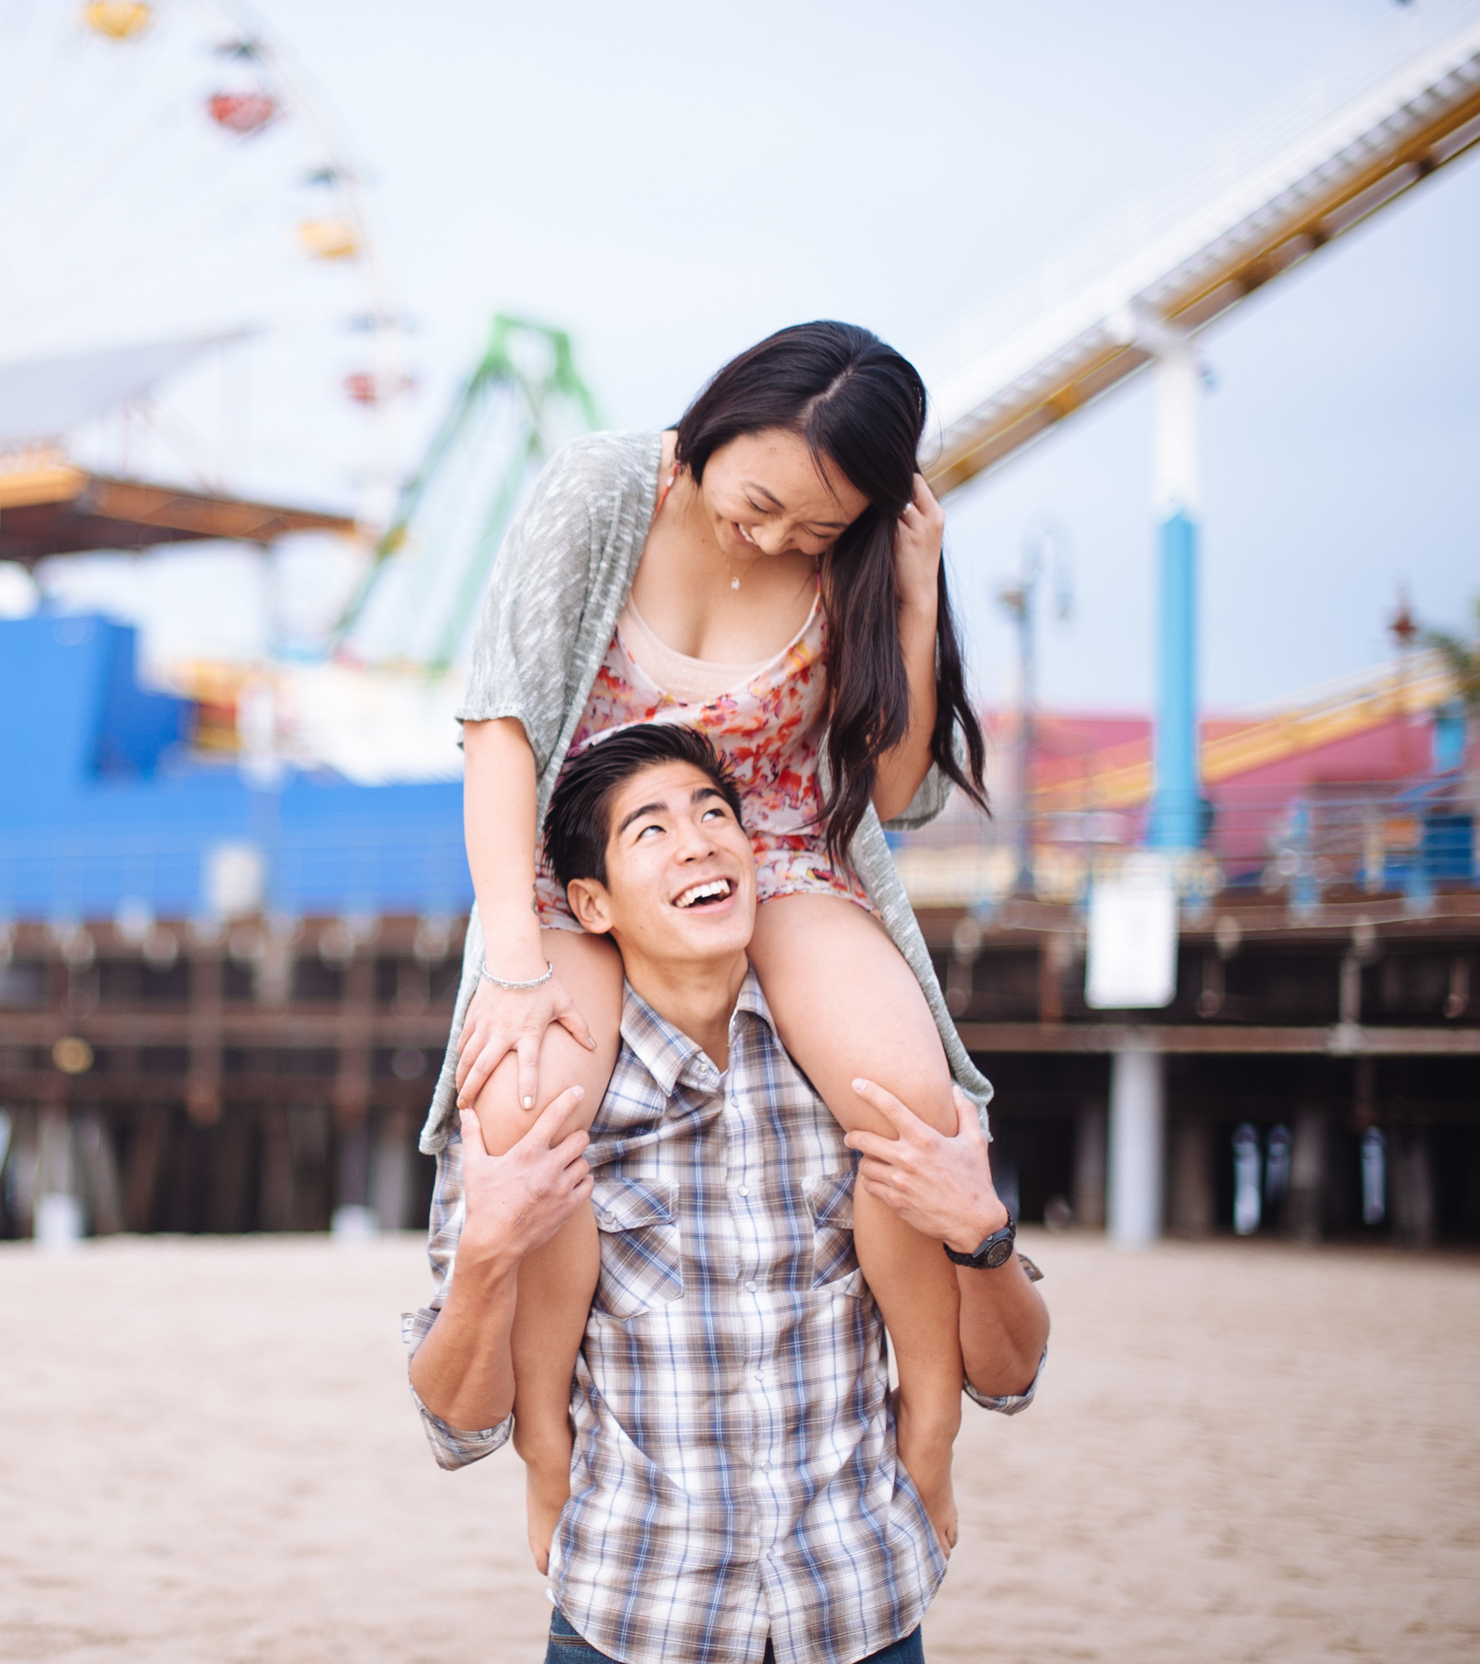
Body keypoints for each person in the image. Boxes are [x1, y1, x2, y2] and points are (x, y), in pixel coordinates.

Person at [434, 321, 994, 1566]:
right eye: (761, 504)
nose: (781, 541)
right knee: (530, 1111)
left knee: (904, 1098)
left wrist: (908, 587)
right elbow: (501, 725)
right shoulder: (600, 486)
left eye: (819, 529)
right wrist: (515, 959)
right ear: (713, 424)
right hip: (585, 857)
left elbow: (892, 794)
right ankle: (547, 1450)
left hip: (774, 854)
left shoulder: (858, 555)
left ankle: (934, 1423)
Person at [405, 723, 1048, 1664]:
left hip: (860, 1608)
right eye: (651, 830)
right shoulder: (545, 1109)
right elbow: (454, 1429)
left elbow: (1014, 1377)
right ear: (591, 903)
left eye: (715, 815)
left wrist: (981, 1235)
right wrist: (490, 1252)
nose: (701, 839)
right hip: (634, 1617)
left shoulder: (861, 1068)